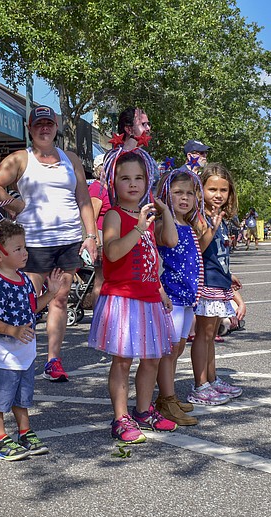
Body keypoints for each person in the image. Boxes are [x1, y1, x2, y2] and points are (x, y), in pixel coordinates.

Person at [0, 105, 97, 383]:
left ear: (56, 127)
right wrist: (13, 201)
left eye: (49, 124)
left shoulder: (71, 159)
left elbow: (83, 199)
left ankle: (53, 360)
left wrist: (91, 236)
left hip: (67, 240)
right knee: (26, 301)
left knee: (59, 298)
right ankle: (12, 360)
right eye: (38, 125)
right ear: (30, 129)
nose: (44, 129)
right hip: (32, 243)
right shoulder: (21, 159)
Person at [88, 149, 178, 444]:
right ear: (114, 182)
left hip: (149, 297)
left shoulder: (148, 216)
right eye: (125, 178)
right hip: (124, 300)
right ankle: (120, 417)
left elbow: (161, 250)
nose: (133, 184)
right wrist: (139, 226)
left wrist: (164, 211)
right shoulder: (115, 215)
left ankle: (143, 410)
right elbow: (112, 252)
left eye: (139, 178)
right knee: (123, 361)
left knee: (151, 359)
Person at [0, 220, 62, 460]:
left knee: (21, 397)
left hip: (25, 353)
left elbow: (32, 306)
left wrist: (52, 292)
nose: (25, 252)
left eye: (24, 247)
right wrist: (12, 330)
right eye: (18, 249)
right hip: (3, 354)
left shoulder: (24, 279)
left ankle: (24, 432)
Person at [188, 163, 244, 406]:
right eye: (212, 189)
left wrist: (228, 275)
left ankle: (212, 379)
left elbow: (217, 253)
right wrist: (213, 226)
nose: (219, 195)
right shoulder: (200, 217)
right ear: (201, 190)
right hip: (205, 283)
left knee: (211, 336)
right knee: (203, 335)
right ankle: (200, 385)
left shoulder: (220, 218)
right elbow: (198, 249)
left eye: (224, 190)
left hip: (218, 280)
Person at [154, 166, 203, 427]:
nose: (184, 198)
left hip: (187, 298)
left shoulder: (189, 224)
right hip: (170, 297)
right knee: (168, 350)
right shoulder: (164, 223)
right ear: (165, 195)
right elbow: (169, 243)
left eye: (190, 193)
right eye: (177, 193)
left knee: (178, 348)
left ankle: (166, 396)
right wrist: (164, 211)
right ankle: (166, 398)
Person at [87, 153, 110, 306]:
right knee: (100, 279)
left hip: (109, 235)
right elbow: (92, 216)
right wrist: (97, 241)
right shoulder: (97, 188)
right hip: (100, 235)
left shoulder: (107, 187)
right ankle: (97, 317)